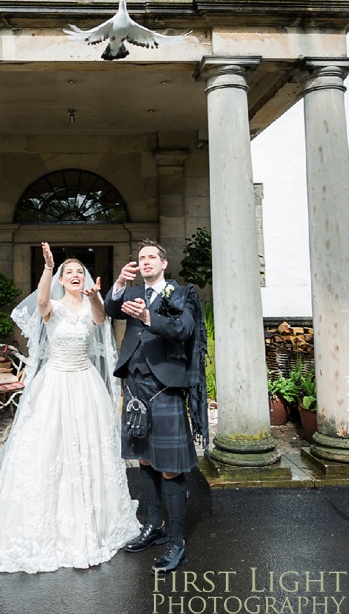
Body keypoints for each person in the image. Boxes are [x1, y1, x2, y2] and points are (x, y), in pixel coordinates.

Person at [0, 242, 140, 574]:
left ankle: (93, 517)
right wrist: (48, 267)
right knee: (48, 449)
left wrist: (94, 297)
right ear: (62, 279)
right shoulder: (53, 308)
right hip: (55, 384)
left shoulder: (92, 303)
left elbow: (101, 320)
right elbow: (43, 301)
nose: (75, 276)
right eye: (69, 272)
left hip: (85, 384)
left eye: (79, 272)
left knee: (88, 449)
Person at [104, 239, 208, 574]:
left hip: (165, 386)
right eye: (140, 258)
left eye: (151, 257)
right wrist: (119, 283)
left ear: (163, 263)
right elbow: (108, 309)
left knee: (170, 465)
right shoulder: (131, 293)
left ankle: (177, 542)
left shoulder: (181, 294)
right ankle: (155, 526)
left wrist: (150, 317)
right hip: (135, 385)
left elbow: (183, 329)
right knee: (145, 458)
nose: (145, 261)